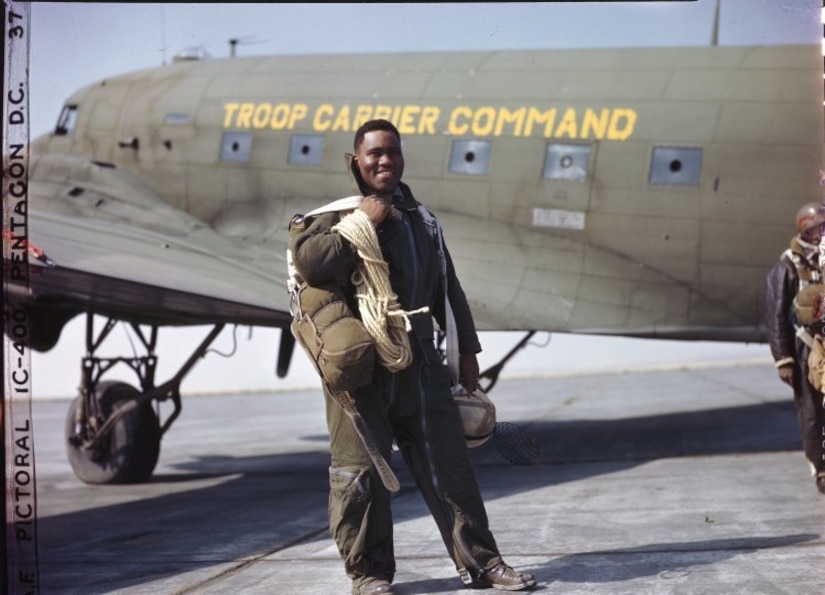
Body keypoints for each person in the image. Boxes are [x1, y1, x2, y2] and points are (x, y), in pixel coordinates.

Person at [289, 119, 537, 594]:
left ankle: (484, 565)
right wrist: (363, 223)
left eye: (392, 152)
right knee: (360, 474)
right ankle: (370, 575)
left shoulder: (422, 220)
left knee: (451, 467)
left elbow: (449, 285)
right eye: (374, 154)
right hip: (363, 372)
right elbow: (311, 261)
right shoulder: (336, 217)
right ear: (356, 162)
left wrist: (467, 351)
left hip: (420, 362)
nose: (385, 161)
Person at [764, 201, 825, 495]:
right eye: (819, 228)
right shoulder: (786, 267)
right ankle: (822, 469)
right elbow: (775, 315)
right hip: (804, 349)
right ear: (806, 229)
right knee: (812, 413)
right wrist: (783, 359)